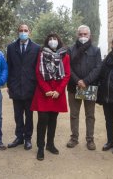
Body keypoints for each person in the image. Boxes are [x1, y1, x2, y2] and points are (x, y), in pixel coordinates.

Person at [30, 33, 71, 161]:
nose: (53, 41)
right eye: (50, 39)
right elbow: (38, 72)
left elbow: (67, 75)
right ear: (47, 42)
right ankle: (40, 147)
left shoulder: (66, 56)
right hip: (43, 93)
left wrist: (58, 91)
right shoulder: (41, 54)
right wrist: (47, 89)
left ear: (59, 41)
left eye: (55, 39)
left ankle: (50, 144)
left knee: (53, 119)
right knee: (42, 119)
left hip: (57, 94)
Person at [66, 25, 101, 150]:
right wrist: (77, 81)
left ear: (89, 35)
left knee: (90, 115)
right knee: (74, 115)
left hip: (89, 86)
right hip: (73, 86)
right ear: (77, 35)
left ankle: (90, 140)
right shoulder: (70, 50)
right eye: (80, 34)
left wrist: (85, 81)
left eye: (85, 34)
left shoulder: (96, 50)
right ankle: (74, 138)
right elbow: (67, 67)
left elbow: (98, 68)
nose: (83, 37)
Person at [6, 24, 40, 150]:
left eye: (25, 30)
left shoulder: (36, 48)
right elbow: (9, 67)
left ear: (29, 32)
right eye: (21, 30)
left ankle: (28, 138)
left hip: (30, 86)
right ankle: (19, 137)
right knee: (17, 114)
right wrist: (9, 85)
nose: (23, 32)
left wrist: (37, 86)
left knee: (29, 115)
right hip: (15, 86)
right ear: (17, 32)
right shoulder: (11, 48)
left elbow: (38, 69)